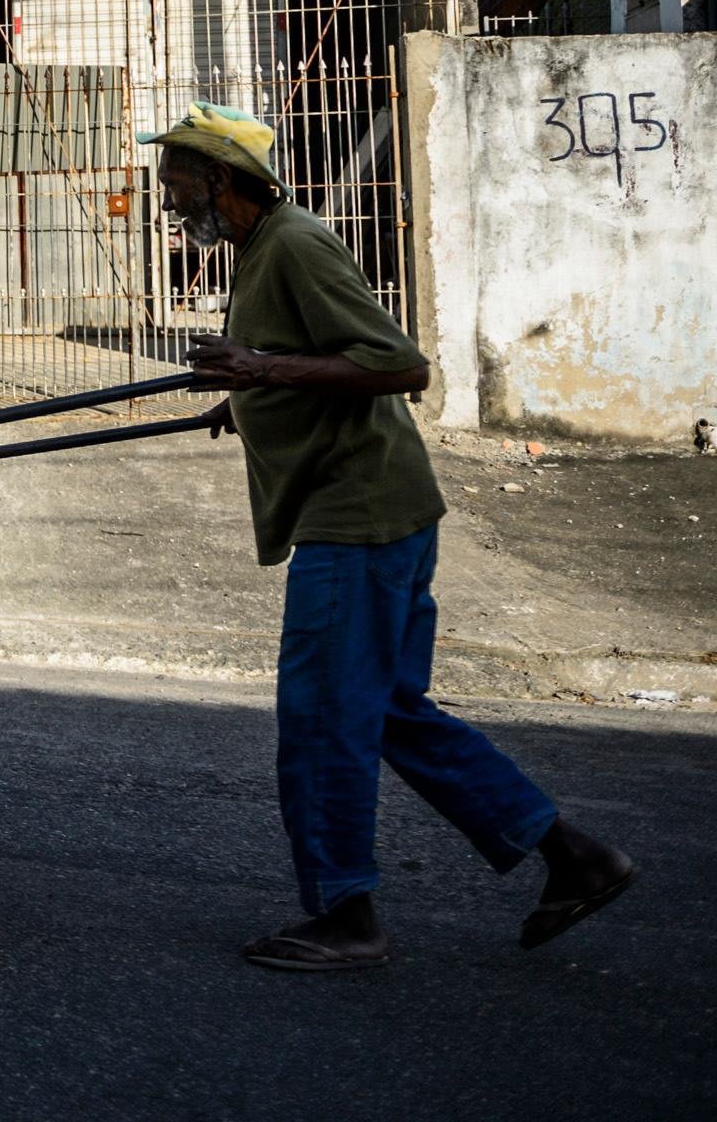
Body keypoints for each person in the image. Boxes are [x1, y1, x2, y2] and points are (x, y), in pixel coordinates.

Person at [145, 102, 636, 972]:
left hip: (358, 521)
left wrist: (262, 368)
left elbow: (400, 364)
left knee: (324, 721)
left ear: (221, 178)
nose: (168, 196)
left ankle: (347, 916)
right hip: (385, 511)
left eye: (178, 179)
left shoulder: (294, 244)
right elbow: (311, 358)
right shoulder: (260, 249)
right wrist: (250, 397)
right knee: (390, 713)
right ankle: (575, 858)